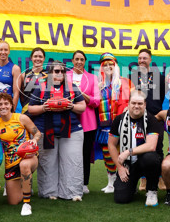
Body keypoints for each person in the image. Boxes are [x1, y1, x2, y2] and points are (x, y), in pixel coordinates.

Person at [26, 61, 86, 201]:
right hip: (45, 130)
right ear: (49, 74)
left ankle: (72, 193)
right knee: (48, 162)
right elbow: (30, 108)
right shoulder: (40, 87)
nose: (59, 74)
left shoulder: (72, 87)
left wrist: (71, 106)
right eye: (56, 71)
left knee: (72, 161)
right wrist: (44, 108)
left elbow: (82, 106)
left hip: (71, 130)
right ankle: (49, 193)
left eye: (61, 71)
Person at [107, 89, 164, 206]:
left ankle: (152, 190)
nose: (136, 106)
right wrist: (120, 167)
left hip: (146, 161)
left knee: (150, 158)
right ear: (128, 104)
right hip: (128, 164)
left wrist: (128, 152)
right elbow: (111, 144)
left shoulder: (152, 120)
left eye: (140, 103)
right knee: (121, 198)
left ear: (145, 104)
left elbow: (151, 146)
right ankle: (132, 187)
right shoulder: (119, 119)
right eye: (133, 103)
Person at [0, 92, 41, 216]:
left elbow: (37, 133)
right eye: (0, 104)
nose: (3, 106)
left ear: (11, 105)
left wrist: (34, 140)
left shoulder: (21, 118)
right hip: (11, 163)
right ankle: (24, 187)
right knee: (13, 201)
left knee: (24, 166)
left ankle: (27, 204)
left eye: (6, 103)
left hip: (28, 157)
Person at [66, 50, 101, 194]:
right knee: (69, 154)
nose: (79, 62)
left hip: (88, 123)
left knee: (85, 153)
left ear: (85, 61)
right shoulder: (65, 76)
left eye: (82, 59)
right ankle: (69, 181)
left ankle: (84, 183)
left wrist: (81, 93)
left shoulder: (92, 78)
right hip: (68, 121)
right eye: (76, 59)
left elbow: (96, 102)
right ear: (72, 61)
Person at [96, 52, 132, 193]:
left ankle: (125, 180)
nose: (109, 67)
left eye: (111, 64)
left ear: (116, 66)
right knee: (107, 154)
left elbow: (131, 103)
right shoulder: (99, 85)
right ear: (102, 68)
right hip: (104, 126)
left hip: (122, 125)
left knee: (122, 153)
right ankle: (110, 182)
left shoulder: (125, 82)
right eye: (106, 65)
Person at [0, 39, 20, 123]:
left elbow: (16, 93)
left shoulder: (15, 68)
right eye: (1, 49)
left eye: (6, 50)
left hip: (6, 108)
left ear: (9, 52)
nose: (3, 52)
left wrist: (12, 111)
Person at [131, 48, 165, 116]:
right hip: (138, 116)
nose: (142, 60)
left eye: (144, 58)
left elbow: (162, 96)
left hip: (156, 116)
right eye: (140, 58)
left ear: (150, 60)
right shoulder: (132, 77)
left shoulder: (159, 77)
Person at [16, 47, 47, 112]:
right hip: (26, 110)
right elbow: (21, 94)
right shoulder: (24, 75)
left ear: (44, 58)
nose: (38, 59)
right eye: (35, 56)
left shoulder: (48, 75)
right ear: (31, 58)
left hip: (43, 111)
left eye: (40, 57)